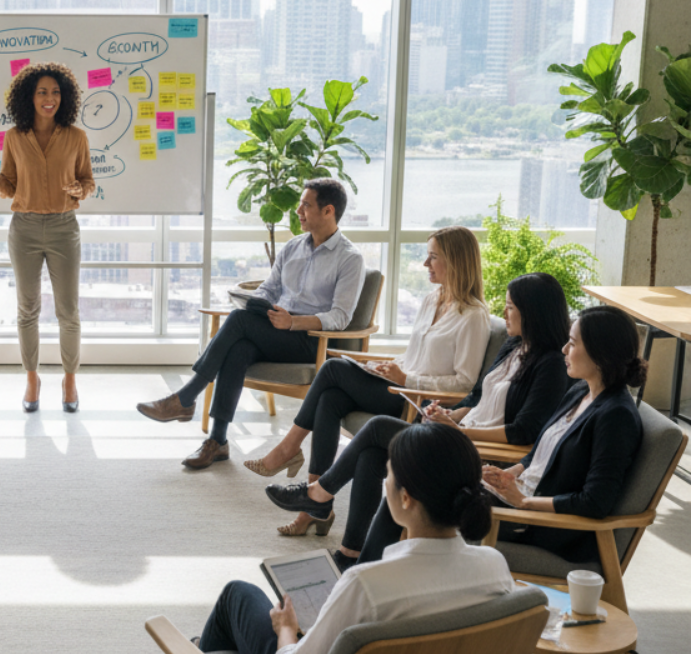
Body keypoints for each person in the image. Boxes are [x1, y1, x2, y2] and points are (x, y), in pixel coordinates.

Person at [155, 423, 512, 654]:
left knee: (239, 594)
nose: (384, 483)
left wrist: (287, 632)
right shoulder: (495, 568)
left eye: (387, 476)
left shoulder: (367, 585)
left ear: (405, 499)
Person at [265, 273, 571, 569]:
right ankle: (352, 555)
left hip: (472, 450)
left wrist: (460, 431)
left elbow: (524, 431)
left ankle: (319, 494)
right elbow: (475, 397)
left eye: (511, 307)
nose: (505, 312)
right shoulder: (513, 346)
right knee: (372, 455)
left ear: (533, 313)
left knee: (378, 427)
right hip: (457, 433)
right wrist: (449, 414)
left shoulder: (551, 365)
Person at [355, 305, 647, 567]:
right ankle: (365, 570)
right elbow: (540, 452)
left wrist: (523, 501)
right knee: (409, 478)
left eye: (572, 343)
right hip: (515, 495)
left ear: (600, 352)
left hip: (541, 524)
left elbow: (595, 501)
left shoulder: (615, 415)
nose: (563, 350)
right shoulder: (581, 391)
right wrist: (511, 473)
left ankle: (369, 577)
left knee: (418, 491)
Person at [244, 225, 489, 528]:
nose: (426, 264)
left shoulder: (474, 315)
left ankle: (289, 449)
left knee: (333, 369)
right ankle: (314, 506)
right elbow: (415, 357)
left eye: (433, 257)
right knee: (331, 398)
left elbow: (464, 383)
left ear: (456, 261)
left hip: (419, 402)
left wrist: (407, 380)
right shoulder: (432, 300)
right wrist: (385, 366)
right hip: (399, 386)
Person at [135, 178, 366, 469]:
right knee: (239, 347)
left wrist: (292, 322)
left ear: (328, 211)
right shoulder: (293, 247)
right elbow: (269, 289)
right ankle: (217, 441)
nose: (298, 210)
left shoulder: (350, 259)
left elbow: (340, 317)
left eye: (306, 205)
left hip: (310, 341)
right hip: (277, 332)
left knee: (238, 322)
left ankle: (186, 397)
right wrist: (256, 301)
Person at [0, 62, 94, 412]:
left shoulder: (76, 136)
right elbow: (7, 187)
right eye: (42, 92)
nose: (50, 99)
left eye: (56, 92)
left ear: (66, 96)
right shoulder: (15, 137)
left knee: (68, 311)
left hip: (64, 227)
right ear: (28, 97)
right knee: (27, 309)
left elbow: (88, 182)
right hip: (25, 228)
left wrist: (80, 188)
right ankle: (32, 378)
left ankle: (70, 379)